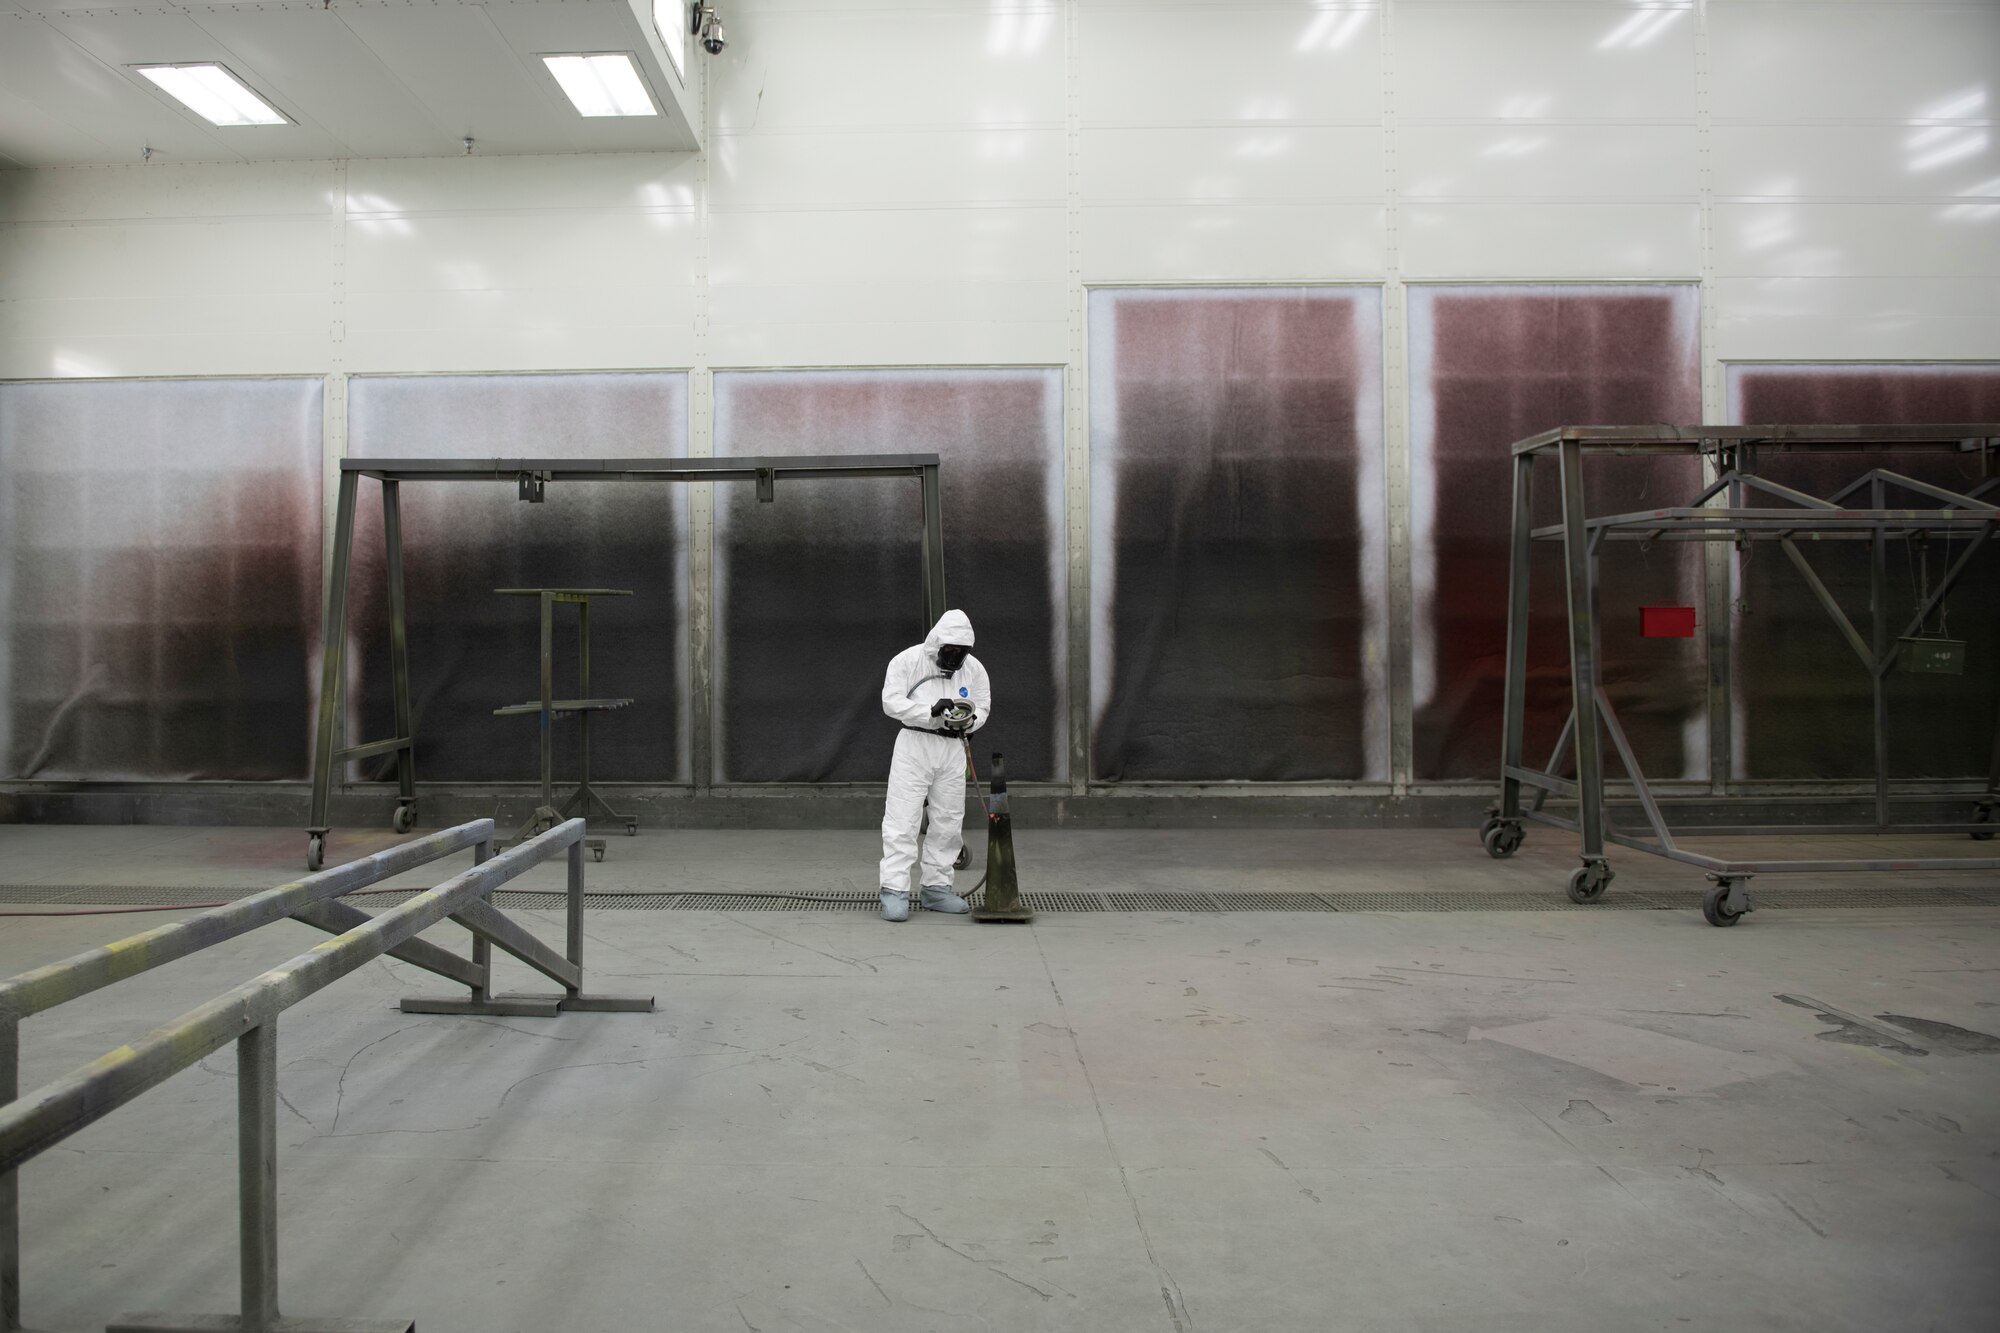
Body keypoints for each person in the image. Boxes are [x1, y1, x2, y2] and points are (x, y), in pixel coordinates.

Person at [878, 609, 991, 922]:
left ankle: (937, 888)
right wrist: (928, 710)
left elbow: (982, 706)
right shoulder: (908, 661)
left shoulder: (974, 669)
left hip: (953, 748)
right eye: (950, 651)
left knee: (948, 819)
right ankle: (894, 890)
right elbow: (890, 702)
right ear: (937, 644)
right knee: (903, 818)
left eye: (962, 652)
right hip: (915, 745)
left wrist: (970, 722)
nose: (955, 657)